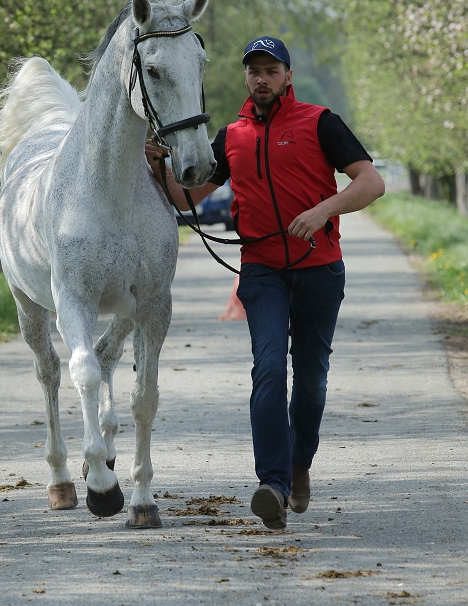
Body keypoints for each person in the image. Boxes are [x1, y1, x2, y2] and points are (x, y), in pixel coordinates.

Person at [145, 36, 385, 530]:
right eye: (253, 70)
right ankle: (272, 485)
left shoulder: (321, 122)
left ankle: (299, 467)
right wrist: (159, 167)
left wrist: (322, 211)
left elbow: (370, 182)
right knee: (270, 369)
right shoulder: (231, 135)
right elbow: (187, 198)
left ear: (287, 76)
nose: (261, 78)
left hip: (320, 269)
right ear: (246, 77)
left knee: (312, 379)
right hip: (262, 271)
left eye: (270, 70)